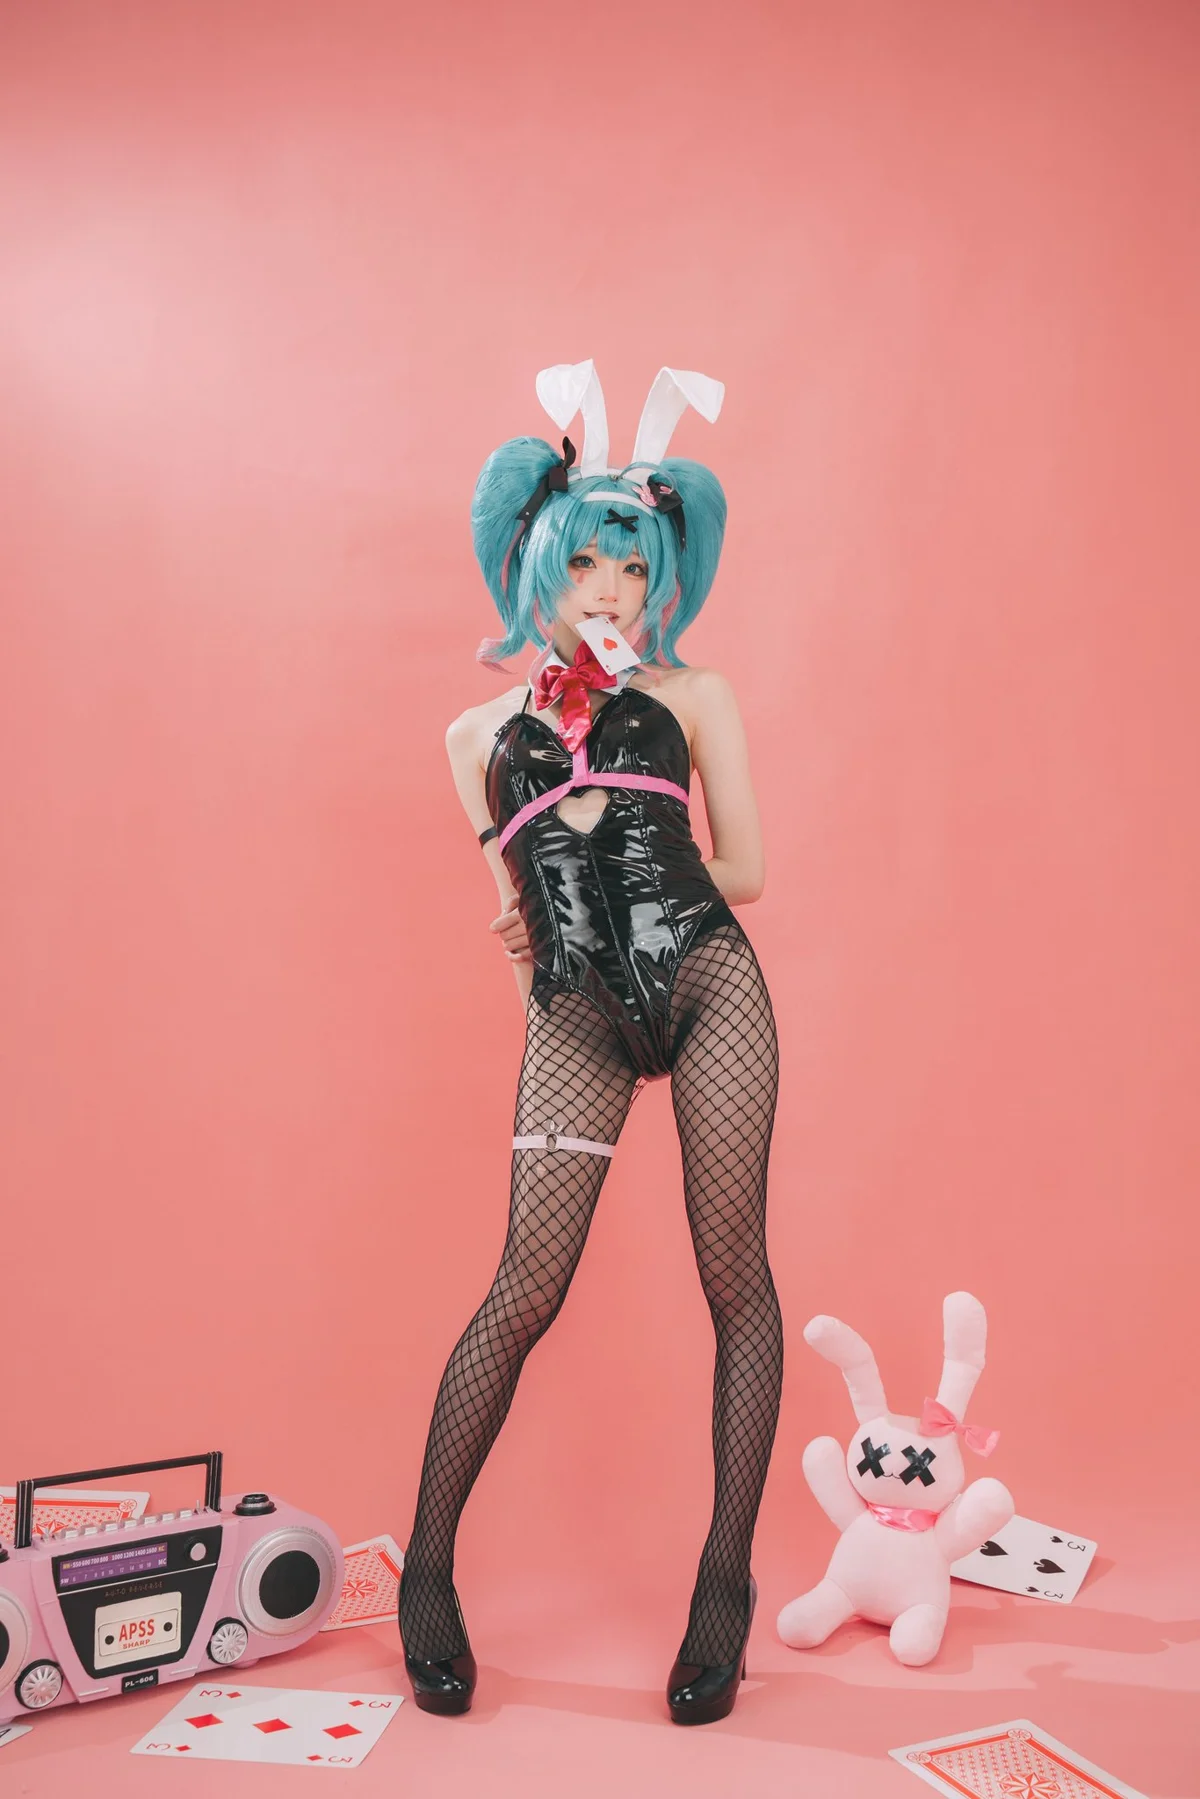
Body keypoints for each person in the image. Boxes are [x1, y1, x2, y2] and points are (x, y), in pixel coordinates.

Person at [398, 363, 784, 1725]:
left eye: (633, 564)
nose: (611, 588)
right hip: (574, 1014)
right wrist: (548, 987)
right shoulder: (473, 735)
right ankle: (426, 1572)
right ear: (538, 566)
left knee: (734, 1273)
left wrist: (647, 864)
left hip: (710, 983)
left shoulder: (696, 694)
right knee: (525, 1285)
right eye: (586, 563)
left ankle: (723, 1586)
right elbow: (512, 920)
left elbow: (747, 868)